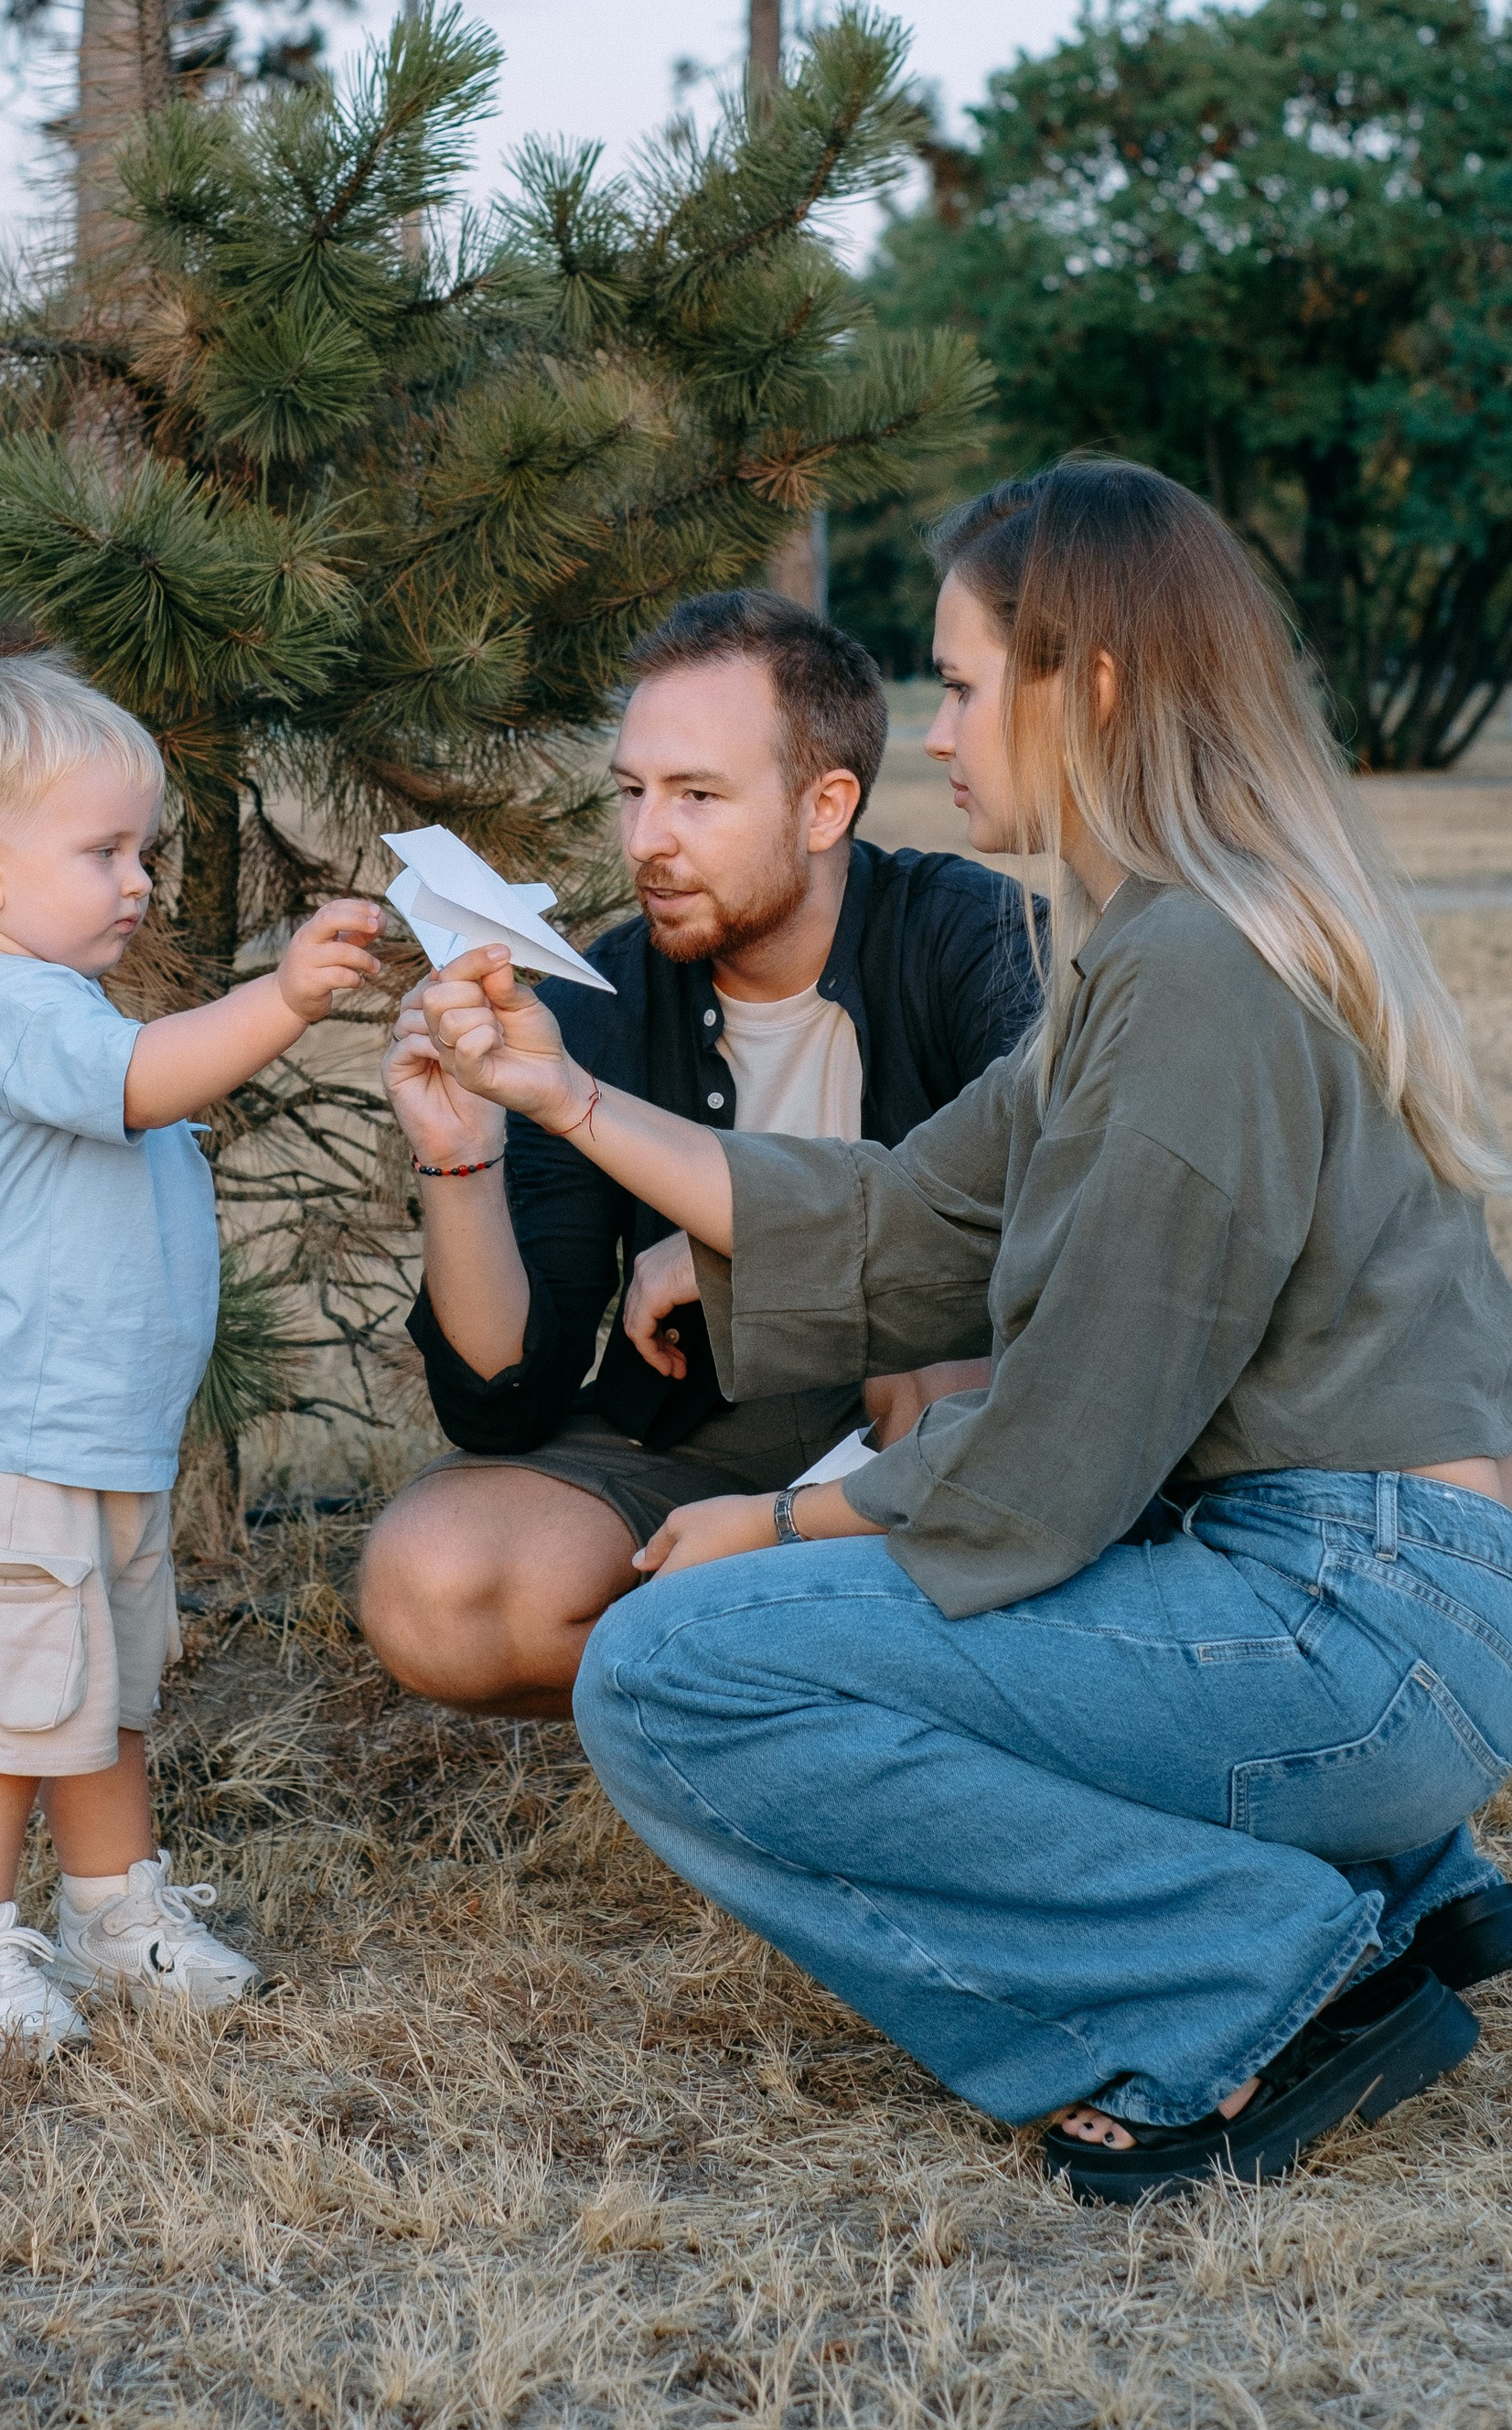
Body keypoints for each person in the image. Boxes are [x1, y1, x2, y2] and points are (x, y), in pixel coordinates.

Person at [405, 464, 1512, 2204]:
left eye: (960, 684)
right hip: (1416, 1599)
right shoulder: (1167, 942)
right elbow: (905, 1226)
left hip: (1369, 1625)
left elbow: (1059, 1457)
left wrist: (774, 1524)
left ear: (1087, 688)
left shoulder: (1193, 976)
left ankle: (1254, 1985)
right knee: (791, 1611)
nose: (933, 733)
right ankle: (1394, 1879)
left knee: (671, 1669)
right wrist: (560, 1097)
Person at [362, 591, 1036, 1715]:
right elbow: (504, 1406)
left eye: (697, 797)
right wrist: (460, 1158)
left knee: (933, 1364)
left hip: (943, 1428)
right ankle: (807, 1678)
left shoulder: (974, 941)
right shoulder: (604, 1002)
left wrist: (733, 1258)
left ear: (825, 807)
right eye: (631, 793)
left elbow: (1048, 1225)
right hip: (708, 1427)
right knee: (438, 1584)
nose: (644, 842)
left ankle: (808, 1668)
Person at [0, 651, 381, 2060]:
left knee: (103, 1694)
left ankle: (113, 1910)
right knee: (3, 1714)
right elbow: (142, 1083)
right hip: (13, 1444)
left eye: (141, 850)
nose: (140, 880)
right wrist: (284, 1000)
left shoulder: (64, 1002)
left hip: (98, 1435)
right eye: (103, 850)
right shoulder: (4, 1010)